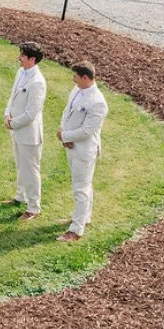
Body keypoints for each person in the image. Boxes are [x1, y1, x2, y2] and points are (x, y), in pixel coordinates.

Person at [56, 62, 109, 243]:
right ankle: (84, 217)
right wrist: (64, 134)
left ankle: (76, 230)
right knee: (83, 185)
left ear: (85, 78)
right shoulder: (76, 90)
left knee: (81, 188)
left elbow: (88, 130)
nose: (73, 79)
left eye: (76, 76)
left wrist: (65, 136)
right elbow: (67, 111)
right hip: (72, 145)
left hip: (84, 150)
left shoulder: (98, 102)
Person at [4, 42, 47, 221]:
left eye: (22, 55)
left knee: (31, 170)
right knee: (20, 165)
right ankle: (20, 196)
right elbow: (13, 97)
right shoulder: (21, 72)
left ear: (32, 59)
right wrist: (7, 114)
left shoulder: (38, 82)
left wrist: (13, 123)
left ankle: (33, 207)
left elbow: (31, 113)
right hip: (16, 129)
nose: (19, 58)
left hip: (29, 133)